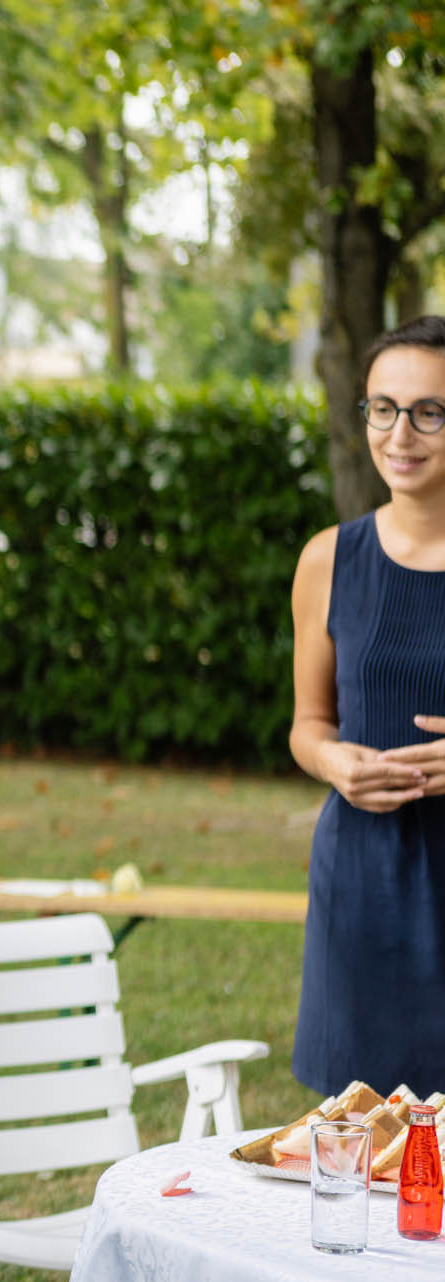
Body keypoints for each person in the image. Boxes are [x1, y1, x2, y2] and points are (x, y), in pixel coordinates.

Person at [288, 314, 445, 1097]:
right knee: (359, 1138)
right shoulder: (328, 558)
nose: (401, 433)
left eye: (428, 411)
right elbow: (307, 725)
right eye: (383, 408)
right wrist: (334, 760)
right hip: (361, 878)